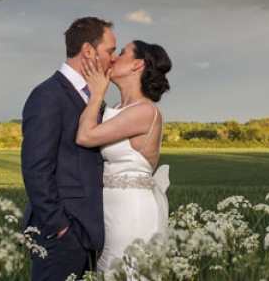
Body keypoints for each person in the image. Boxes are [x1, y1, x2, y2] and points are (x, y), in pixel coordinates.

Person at [21, 16, 118, 281]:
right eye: (110, 51)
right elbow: (36, 168)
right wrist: (60, 228)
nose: (114, 58)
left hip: (88, 232)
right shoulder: (48, 95)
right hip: (60, 235)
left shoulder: (91, 96)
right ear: (88, 50)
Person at [77, 40, 172, 277]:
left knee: (125, 271)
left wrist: (97, 93)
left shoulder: (145, 111)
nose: (113, 58)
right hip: (111, 209)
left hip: (132, 212)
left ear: (136, 64)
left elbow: (86, 136)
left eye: (121, 53)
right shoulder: (119, 107)